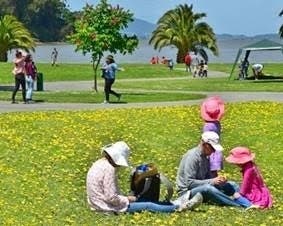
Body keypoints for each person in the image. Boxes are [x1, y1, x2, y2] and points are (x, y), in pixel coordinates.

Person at [86, 141, 203, 214]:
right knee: (148, 205)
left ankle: (175, 203)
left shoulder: (99, 163)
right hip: (106, 207)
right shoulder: (109, 169)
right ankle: (181, 207)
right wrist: (127, 199)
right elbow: (111, 198)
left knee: (143, 201)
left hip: (96, 204)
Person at [176, 131, 253, 208]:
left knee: (233, 185)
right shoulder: (192, 157)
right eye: (212, 148)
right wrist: (212, 181)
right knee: (208, 189)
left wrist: (219, 181)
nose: (214, 151)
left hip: (201, 187)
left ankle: (248, 201)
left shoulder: (206, 156)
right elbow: (189, 183)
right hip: (187, 193)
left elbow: (208, 178)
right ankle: (237, 205)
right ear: (205, 144)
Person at [200, 96, 225, 178]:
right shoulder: (217, 123)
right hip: (215, 149)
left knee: (210, 171)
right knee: (214, 171)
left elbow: (206, 139)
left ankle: (213, 183)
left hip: (210, 150)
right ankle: (215, 181)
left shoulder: (207, 126)